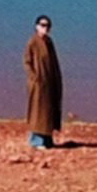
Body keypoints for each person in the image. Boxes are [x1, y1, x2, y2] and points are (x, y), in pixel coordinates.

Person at [24, 15, 65, 149]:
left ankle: (47, 139)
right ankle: (35, 141)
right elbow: (26, 62)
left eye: (48, 26)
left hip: (49, 83)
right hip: (38, 84)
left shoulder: (49, 42)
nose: (45, 28)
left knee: (49, 111)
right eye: (42, 25)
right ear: (36, 26)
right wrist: (35, 78)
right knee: (38, 112)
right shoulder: (32, 42)